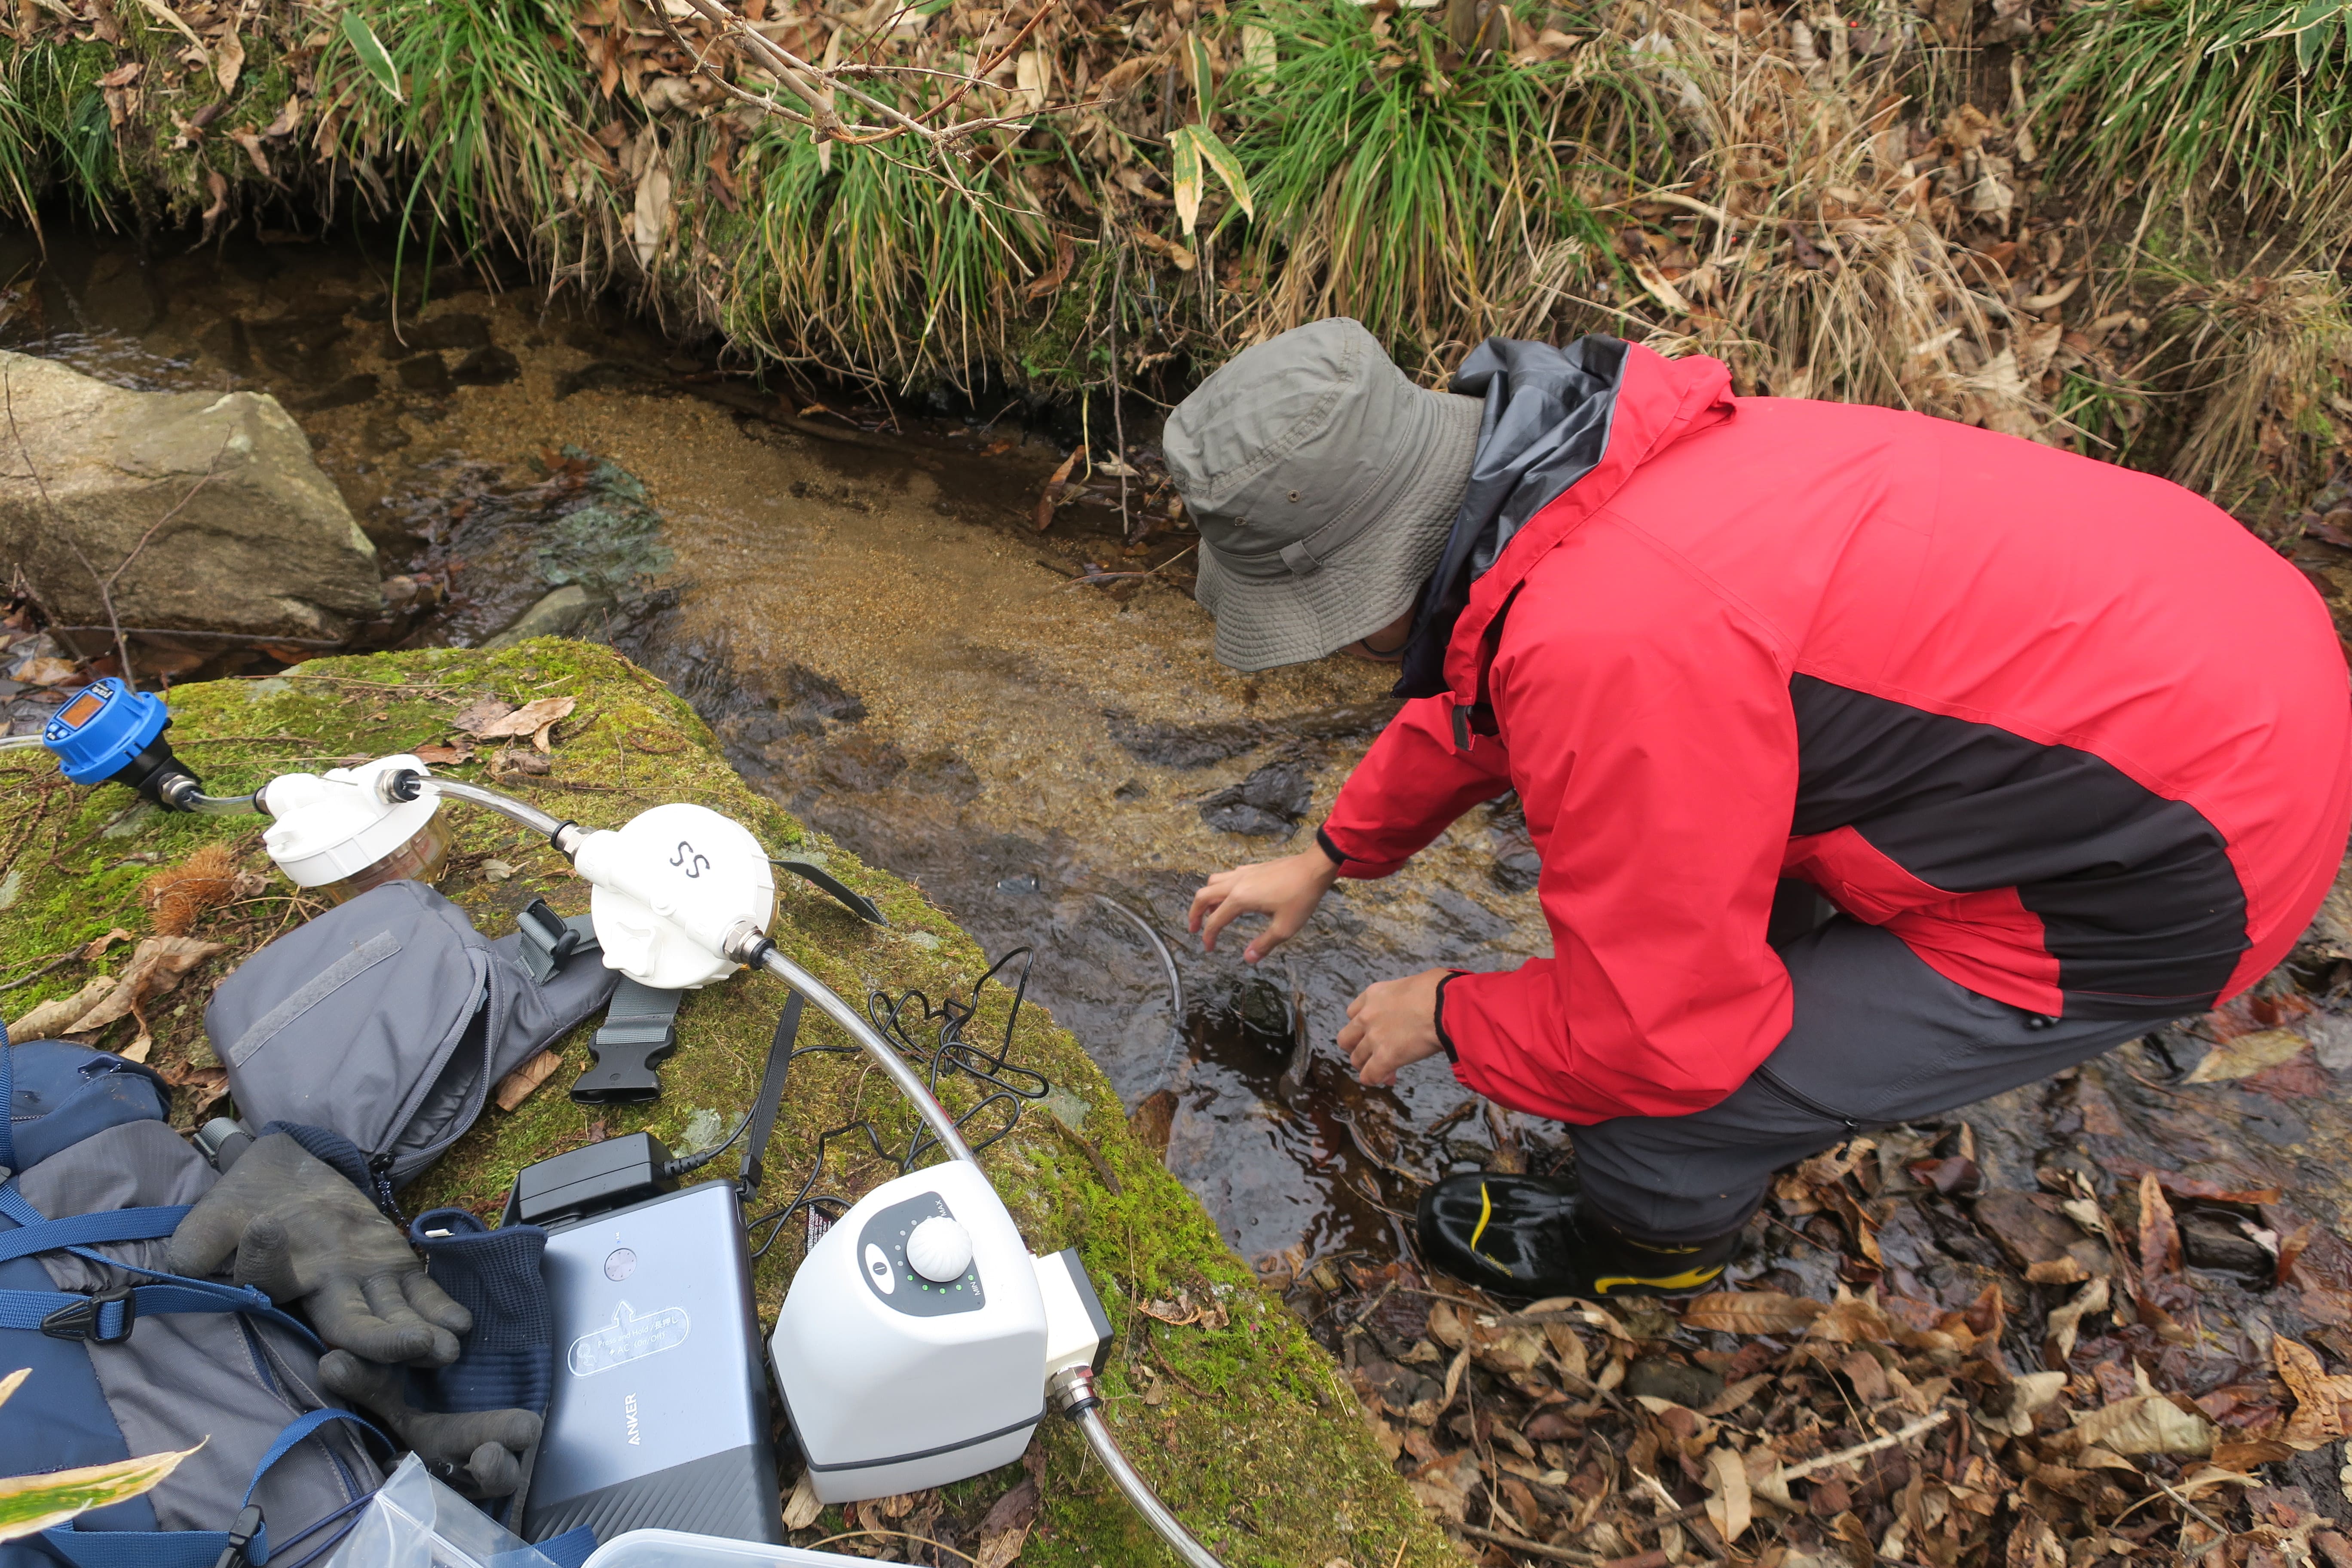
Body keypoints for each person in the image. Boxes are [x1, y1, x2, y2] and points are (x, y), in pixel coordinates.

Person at [1173, 317, 2352, 1300]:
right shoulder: (1582, 466)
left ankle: (1650, 1252)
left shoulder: (1616, 644)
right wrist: (1331, 852)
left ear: (1371, 573)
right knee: (1684, 928)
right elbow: (1481, 678)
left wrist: (1454, 1009)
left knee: (1665, 1091)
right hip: (2216, 646)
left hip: (2196, 852)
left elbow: (1659, 1036)